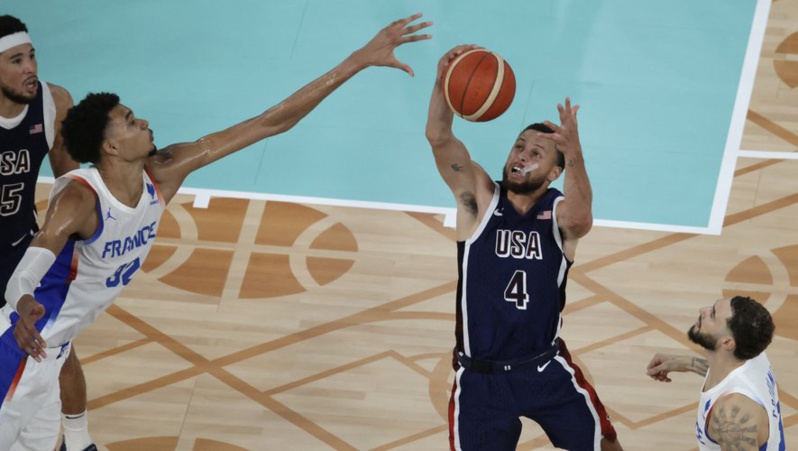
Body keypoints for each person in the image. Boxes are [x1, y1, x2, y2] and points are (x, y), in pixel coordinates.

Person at [0, 13, 431, 449]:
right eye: (130, 121)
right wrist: (22, 299)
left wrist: (357, 60)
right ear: (110, 147)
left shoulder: (163, 172)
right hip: (17, 351)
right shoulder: (80, 200)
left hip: (49, 356)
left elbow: (269, 122)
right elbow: (34, 258)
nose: (144, 121)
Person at [426, 45, 621, 451]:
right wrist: (443, 84)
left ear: (554, 172)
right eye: (519, 147)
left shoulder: (560, 217)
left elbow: (583, 218)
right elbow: (439, 137)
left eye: (536, 154)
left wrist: (576, 154)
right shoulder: (478, 199)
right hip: (480, 378)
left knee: (605, 444)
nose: (522, 157)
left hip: (545, 368)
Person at [0, 15, 97, 451]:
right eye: (16, 60)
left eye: (32, 55)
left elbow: (70, 187)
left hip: (24, 253)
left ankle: (77, 443)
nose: (30, 68)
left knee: (57, 352)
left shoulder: (53, 102)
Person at [646, 296, 785, 450]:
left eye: (712, 315)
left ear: (727, 342)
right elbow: (731, 378)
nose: (702, 310)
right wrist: (688, 363)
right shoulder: (754, 355)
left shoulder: (731, 418)